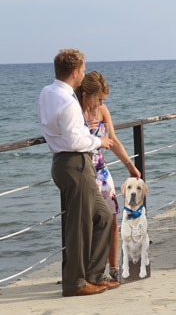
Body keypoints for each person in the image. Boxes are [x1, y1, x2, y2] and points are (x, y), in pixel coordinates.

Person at [38, 48, 117, 297]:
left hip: (66, 163)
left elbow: (65, 132)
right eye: (83, 70)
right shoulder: (67, 100)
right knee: (80, 225)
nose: (84, 73)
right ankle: (75, 283)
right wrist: (99, 142)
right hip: (75, 163)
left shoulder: (47, 92)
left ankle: (92, 276)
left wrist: (86, 130)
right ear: (74, 72)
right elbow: (73, 142)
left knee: (103, 216)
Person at [75, 71, 142, 281]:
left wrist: (130, 165)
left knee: (113, 219)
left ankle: (113, 268)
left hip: (102, 171)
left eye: (104, 99)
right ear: (88, 94)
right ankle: (86, 271)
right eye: (100, 98)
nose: (101, 103)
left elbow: (112, 139)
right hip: (83, 171)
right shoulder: (75, 111)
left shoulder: (102, 111)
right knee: (87, 223)